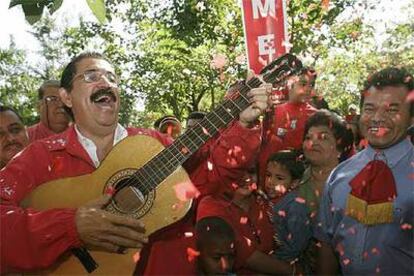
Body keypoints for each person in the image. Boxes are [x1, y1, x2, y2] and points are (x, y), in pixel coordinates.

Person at [0, 52, 270, 273]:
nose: (105, 83)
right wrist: (70, 227)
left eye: (112, 78)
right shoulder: (38, 157)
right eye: (91, 76)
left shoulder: (155, 145)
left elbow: (213, 178)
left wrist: (243, 124)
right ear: (66, 97)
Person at [314, 67, 414, 275]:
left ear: (411, 118)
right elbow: (326, 244)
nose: (377, 118)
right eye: (369, 108)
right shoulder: (339, 175)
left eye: (392, 110)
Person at [197, 168, 299, 275]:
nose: (246, 179)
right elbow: (243, 253)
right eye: (237, 172)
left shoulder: (264, 200)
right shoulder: (211, 204)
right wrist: (294, 272)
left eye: (251, 171)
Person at [258, 67, 317, 187]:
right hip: (266, 179)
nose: (307, 89)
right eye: (303, 83)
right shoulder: (273, 111)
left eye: (311, 85)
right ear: (291, 84)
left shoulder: (315, 116)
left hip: (294, 182)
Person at [263, 150, 310, 271]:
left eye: (279, 178)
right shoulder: (266, 198)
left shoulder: (296, 205)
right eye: (268, 175)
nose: (270, 182)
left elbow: (296, 246)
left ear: (294, 183)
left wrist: (269, 263)